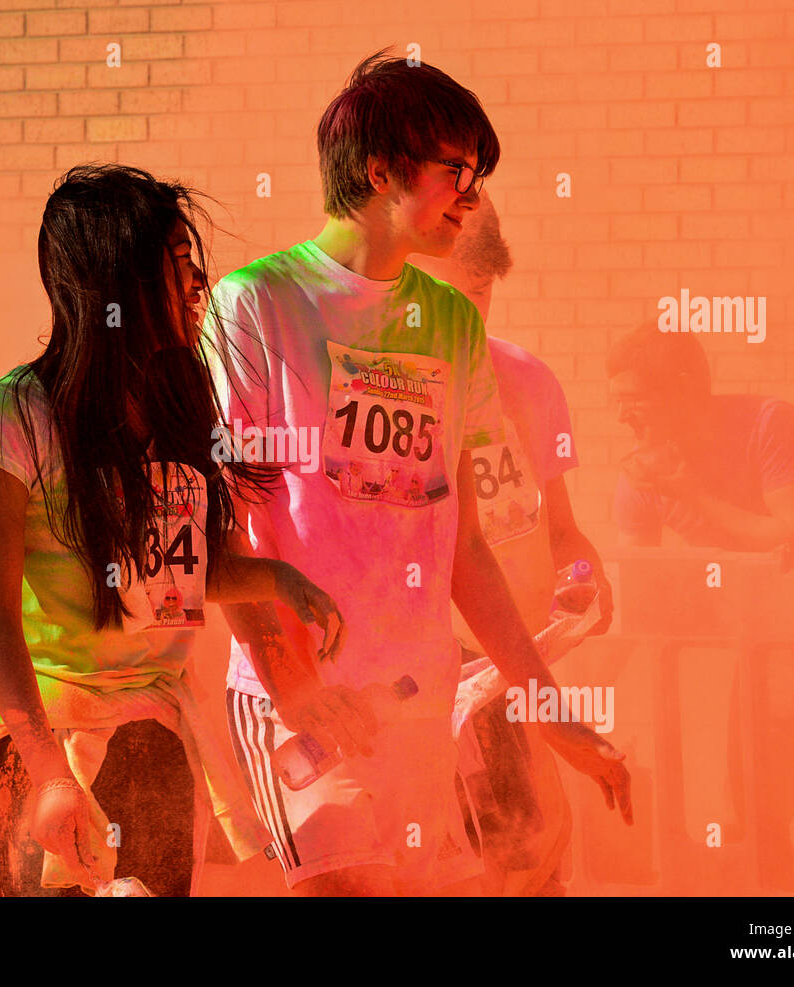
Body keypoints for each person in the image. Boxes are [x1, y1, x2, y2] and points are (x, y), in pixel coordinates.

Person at [207, 51, 631, 897]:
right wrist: (296, 685)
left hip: (417, 699)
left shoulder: (450, 325)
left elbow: (463, 549)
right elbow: (223, 526)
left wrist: (553, 715)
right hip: (298, 697)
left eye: (476, 176)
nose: (471, 198)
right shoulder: (254, 303)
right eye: (456, 172)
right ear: (380, 170)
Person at [0, 164, 346, 897]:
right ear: (116, 282)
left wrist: (276, 578)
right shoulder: (13, 412)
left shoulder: (183, 400)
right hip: (35, 738)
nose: (198, 282)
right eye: (175, 265)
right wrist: (45, 777)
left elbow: (176, 573)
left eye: (193, 264)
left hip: (155, 737)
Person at [608, 324, 794, 892]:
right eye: (616, 405)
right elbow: (637, 599)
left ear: (685, 390)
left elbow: (793, 536)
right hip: (769, 653)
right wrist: (565, 704)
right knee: (754, 816)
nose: (623, 420)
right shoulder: (641, 479)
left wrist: (691, 493)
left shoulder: (769, 423)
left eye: (635, 404)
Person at [414, 189, 620, 896]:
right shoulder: (381, 391)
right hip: (426, 688)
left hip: (519, 677)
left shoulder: (527, 382)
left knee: (534, 862)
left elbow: (565, 533)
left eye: (479, 291)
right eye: (446, 296)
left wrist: (585, 574)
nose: (464, 317)